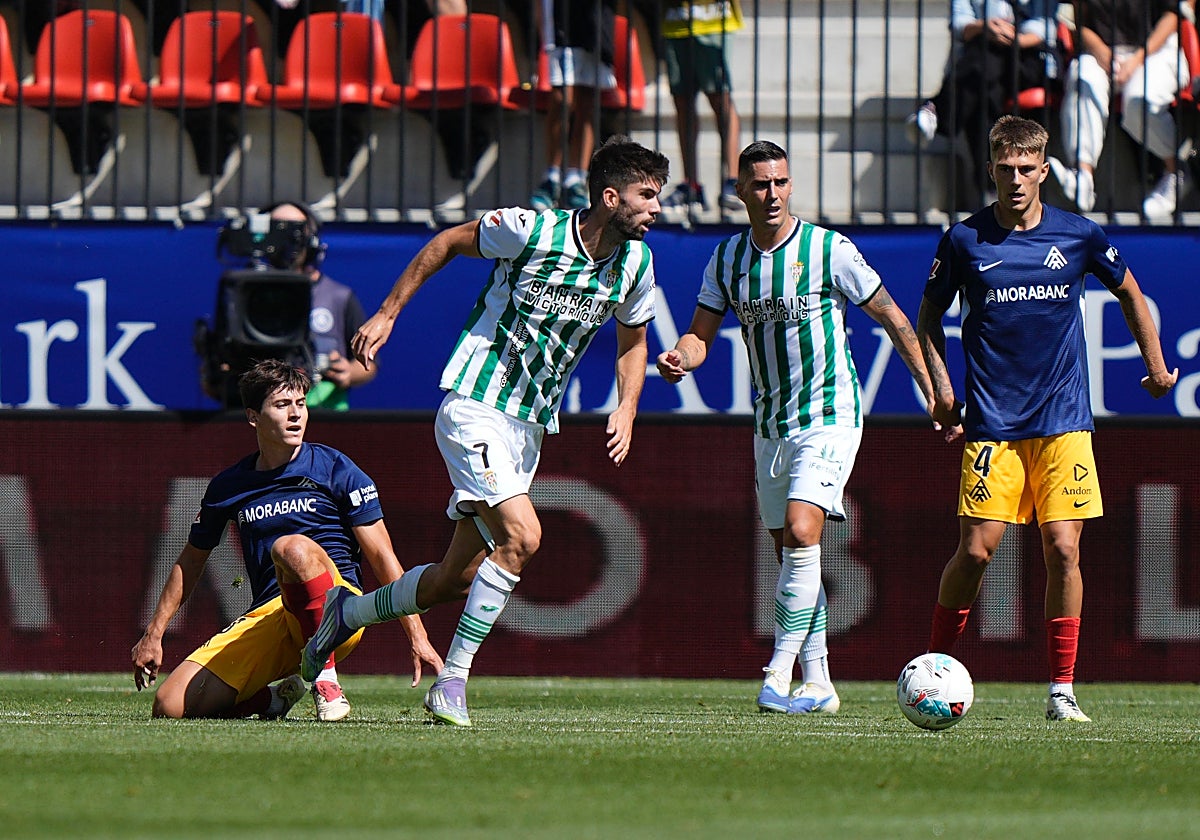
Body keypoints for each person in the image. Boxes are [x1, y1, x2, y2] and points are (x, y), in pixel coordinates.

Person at [298, 135, 668, 727]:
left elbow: (634, 341)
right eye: (646, 196)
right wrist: (389, 312)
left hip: (528, 429)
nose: (656, 207)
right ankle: (453, 682)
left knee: (453, 579)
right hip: (475, 405)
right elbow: (446, 242)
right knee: (524, 536)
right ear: (609, 196)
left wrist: (626, 406)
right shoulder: (531, 230)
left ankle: (347, 614)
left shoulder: (636, 263)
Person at [656, 140, 937, 715]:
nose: (773, 193)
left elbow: (892, 316)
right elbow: (700, 335)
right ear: (740, 193)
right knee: (790, 551)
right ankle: (821, 682)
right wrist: (681, 356)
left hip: (831, 413)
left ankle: (775, 675)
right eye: (760, 184)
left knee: (803, 530)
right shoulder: (727, 261)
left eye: (781, 182)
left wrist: (935, 390)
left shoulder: (829, 250)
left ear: (792, 185)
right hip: (772, 423)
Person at [917, 115, 1177, 722]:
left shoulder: (1080, 235)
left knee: (1063, 549)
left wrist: (1158, 367)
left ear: (1044, 170)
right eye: (1004, 169)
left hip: (1063, 422)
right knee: (978, 552)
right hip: (992, 426)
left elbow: (1131, 293)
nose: (1015, 180)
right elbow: (928, 319)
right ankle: (934, 667)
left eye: (1026, 169)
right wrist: (942, 390)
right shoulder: (963, 241)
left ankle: (1062, 689)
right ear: (990, 169)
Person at [131, 359, 443, 720]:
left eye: (301, 404)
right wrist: (154, 634)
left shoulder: (336, 468)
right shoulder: (229, 485)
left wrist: (416, 635)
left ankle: (326, 681)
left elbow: (383, 557)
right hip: (274, 615)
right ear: (253, 417)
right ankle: (276, 698)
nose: (296, 414)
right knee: (169, 706)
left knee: (290, 546)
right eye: (282, 405)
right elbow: (191, 561)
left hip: (338, 612)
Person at [1046, 0, 1191, 216]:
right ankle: (1082, 178)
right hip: (1101, 51)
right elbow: (1077, 22)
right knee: (1083, 81)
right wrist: (1102, 52)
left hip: (1157, 50)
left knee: (1140, 99)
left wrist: (1136, 60)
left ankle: (1176, 172)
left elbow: (1173, 17)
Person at [906, 0, 1059, 196]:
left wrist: (1015, 37)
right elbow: (959, 23)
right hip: (985, 59)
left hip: (1027, 58)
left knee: (981, 68)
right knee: (985, 88)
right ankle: (993, 188)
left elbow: (1045, 24)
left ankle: (937, 111)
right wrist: (984, 27)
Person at [265, 202, 377, 410]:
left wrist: (348, 372)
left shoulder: (339, 296)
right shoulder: (243, 294)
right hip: (259, 415)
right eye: (276, 229)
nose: (284, 242)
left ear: (311, 240)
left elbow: (369, 364)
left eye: (294, 231)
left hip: (325, 411)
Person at [658, 0, 744, 222]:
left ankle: (733, 181)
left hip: (713, 19)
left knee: (720, 99)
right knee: (683, 104)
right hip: (676, 20)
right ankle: (691, 185)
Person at [530, 0, 619, 211]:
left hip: (595, 19)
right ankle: (551, 177)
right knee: (562, 99)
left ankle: (575, 179)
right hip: (562, 18)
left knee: (587, 100)